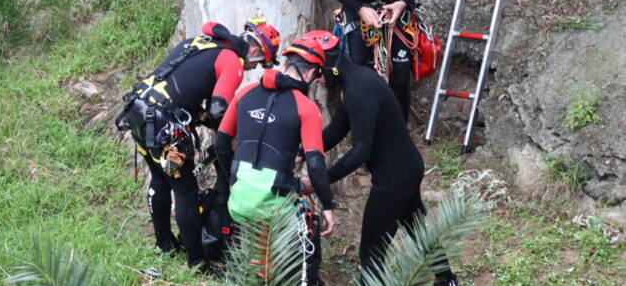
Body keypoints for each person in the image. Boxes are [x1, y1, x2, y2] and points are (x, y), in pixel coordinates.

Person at [117, 18, 281, 273]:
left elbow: (188, 85)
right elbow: (217, 110)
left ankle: (164, 244)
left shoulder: (200, 42)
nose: (252, 68)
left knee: (160, 179)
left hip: (138, 109)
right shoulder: (232, 62)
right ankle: (196, 262)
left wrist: (199, 116)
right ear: (256, 51)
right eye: (258, 63)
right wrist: (230, 137)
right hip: (164, 124)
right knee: (185, 191)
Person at [299, 31, 457, 286]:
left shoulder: (359, 92)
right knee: (417, 230)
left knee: (371, 251)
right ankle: (447, 280)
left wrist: (322, 180)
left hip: (393, 178)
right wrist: (302, 151)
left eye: (315, 72)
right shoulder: (357, 82)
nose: (315, 80)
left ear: (328, 67)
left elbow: (360, 150)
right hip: (407, 168)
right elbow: (336, 131)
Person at [214, 32, 337, 285]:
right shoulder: (306, 107)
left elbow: (221, 142)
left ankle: (255, 273)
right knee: (306, 234)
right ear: (311, 72)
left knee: (256, 242)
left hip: (239, 200)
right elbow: (315, 164)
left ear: (285, 63)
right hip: (273, 204)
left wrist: (234, 179)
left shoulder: (245, 93)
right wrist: (327, 206)